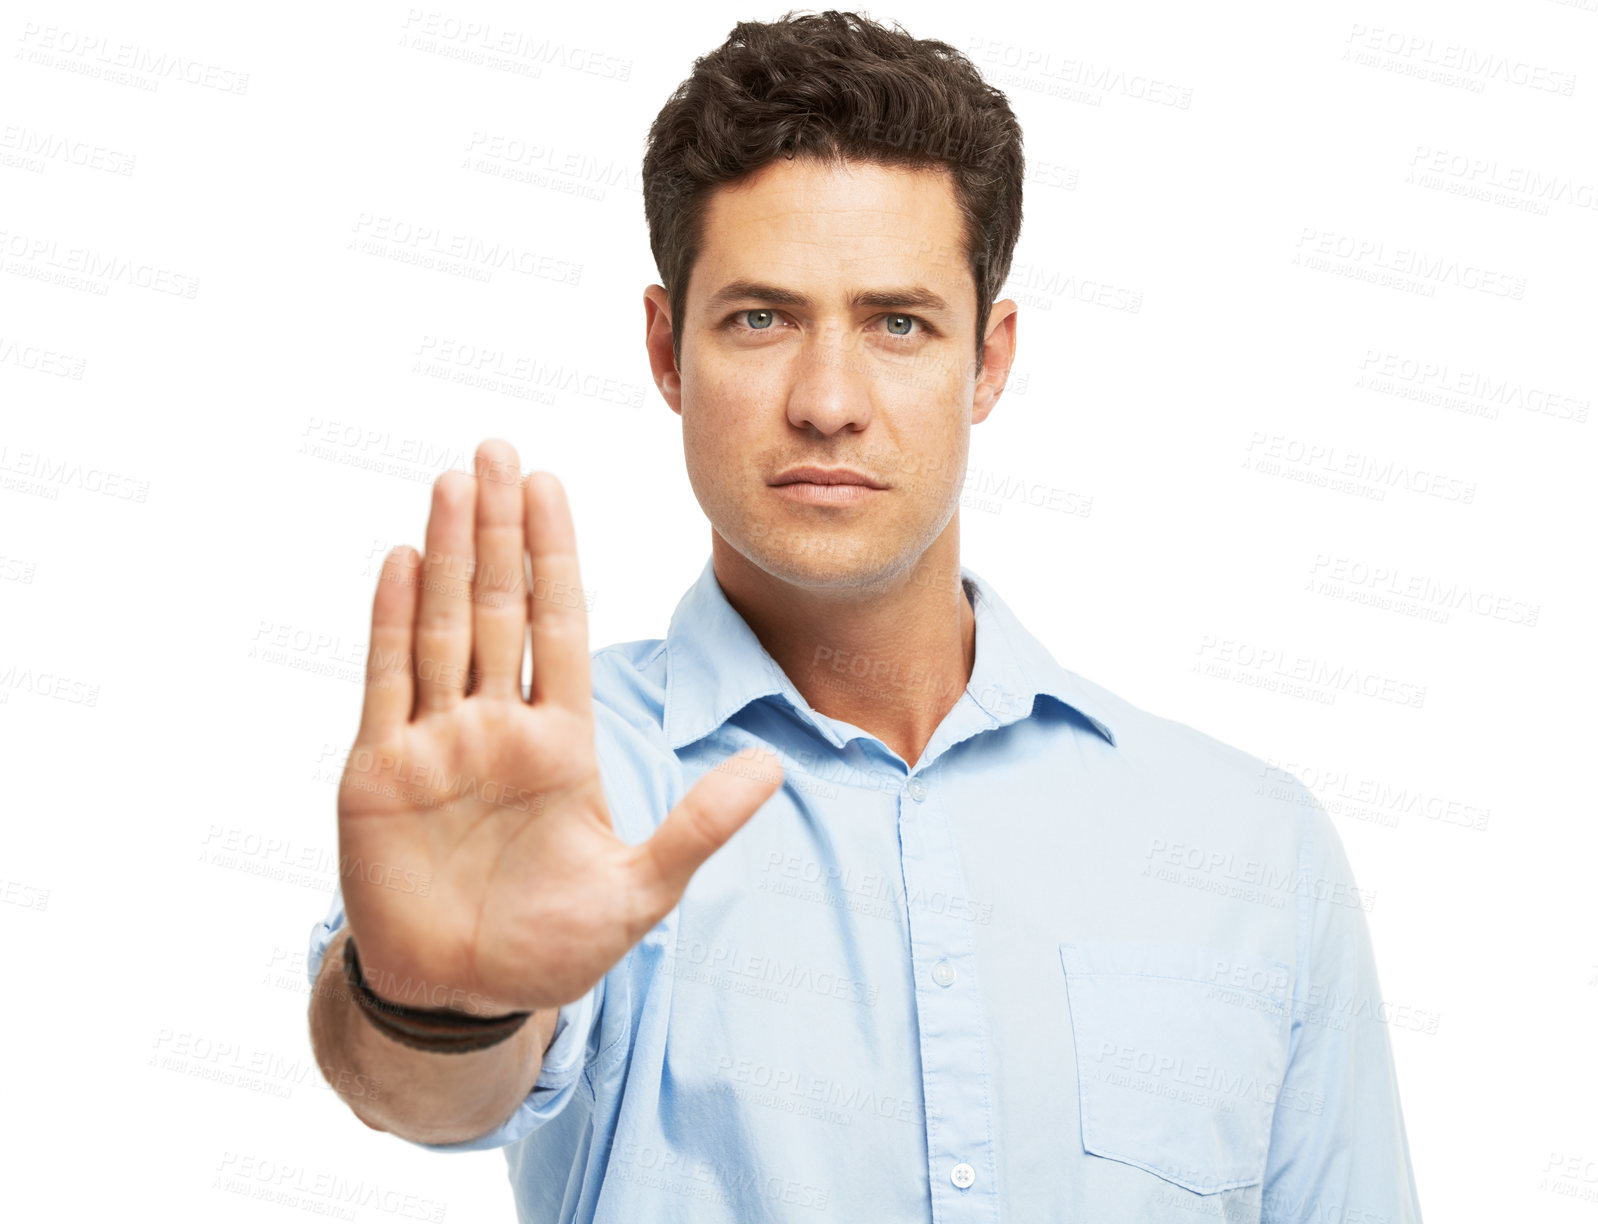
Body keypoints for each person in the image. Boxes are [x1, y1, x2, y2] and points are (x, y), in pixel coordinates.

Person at [307, 11, 1422, 1221]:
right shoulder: (562, 788)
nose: (828, 401)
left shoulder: (1249, 845)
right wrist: (431, 1006)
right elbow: (423, 1092)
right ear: (666, 349)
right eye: (760, 318)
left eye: (898, 322)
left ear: (987, 361)